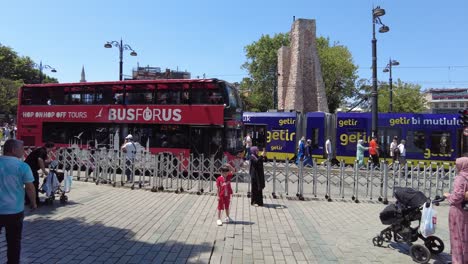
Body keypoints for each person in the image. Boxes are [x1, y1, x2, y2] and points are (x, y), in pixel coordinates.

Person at [0, 139, 37, 264]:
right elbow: (30, 187)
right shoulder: (22, 166)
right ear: (13, 150)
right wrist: (33, 202)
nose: (24, 151)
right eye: (22, 148)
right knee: (14, 242)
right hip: (14, 210)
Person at [444, 157, 468, 264]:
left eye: (457, 165)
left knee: (457, 236)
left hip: (457, 211)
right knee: (465, 235)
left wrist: (448, 196)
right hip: (466, 209)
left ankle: (458, 261)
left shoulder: (460, 178)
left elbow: (457, 197)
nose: (456, 167)